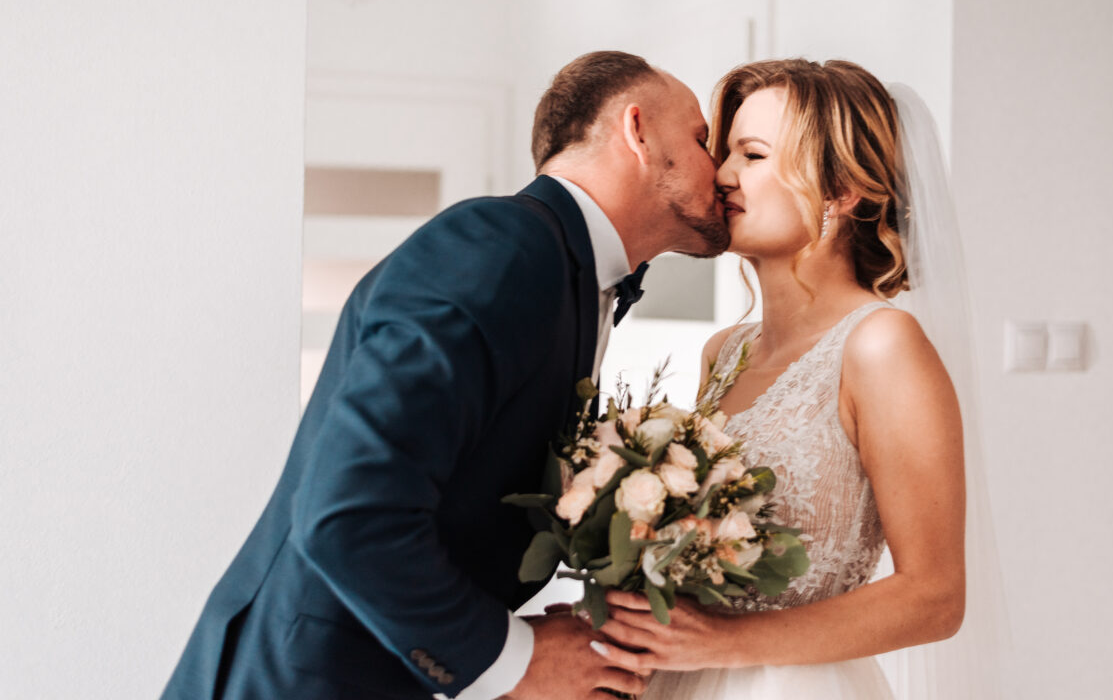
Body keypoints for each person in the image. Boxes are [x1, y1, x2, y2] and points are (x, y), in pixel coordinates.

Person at [159, 50, 729, 700]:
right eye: (702, 138)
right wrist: (516, 661)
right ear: (638, 130)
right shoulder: (501, 245)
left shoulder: (567, 272)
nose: (721, 168)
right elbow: (348, 511)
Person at [591, 58, 1002, 698]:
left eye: (752, 155)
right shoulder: (723, 352)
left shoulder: (881, 346)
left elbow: (935, 597)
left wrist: (725, 643)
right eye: (725, 151)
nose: (722, 175)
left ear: (842, 191)